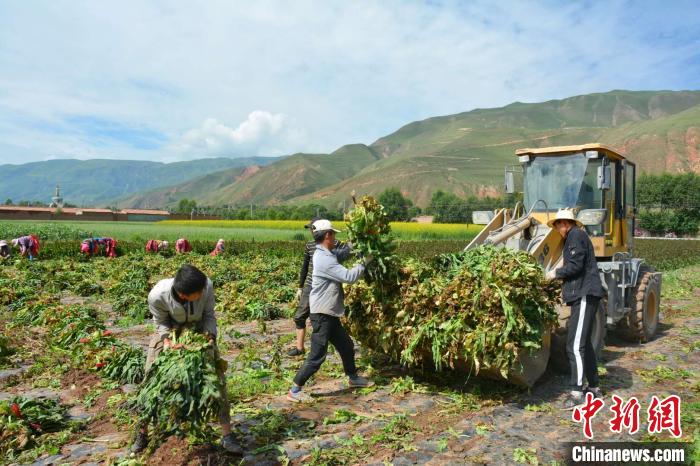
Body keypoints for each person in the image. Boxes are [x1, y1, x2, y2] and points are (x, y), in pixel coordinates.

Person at [130, 264, 241, 454]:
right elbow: (161, 322)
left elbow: (209, 315)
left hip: (198, 330)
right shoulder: (157, 296)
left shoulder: (206, 286)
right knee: (150, 380)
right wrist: (167, 341)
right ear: (183, 294)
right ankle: (142, 432)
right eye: (199, 291)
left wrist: (210, 337)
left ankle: (227, 436)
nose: (203, 291)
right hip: (169, 331)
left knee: (217, 381)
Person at [287, 219, 373, 403]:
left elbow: (343, 254)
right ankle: (295, 389)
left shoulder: (325, 253)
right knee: (317, 355)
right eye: (333, 234)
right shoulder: (324, 258)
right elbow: (349, 277)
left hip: (329, 313)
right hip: (322, 315)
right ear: (327, 235)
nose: (335, 238)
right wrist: (365, 262)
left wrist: (355, 244)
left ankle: (353, 377)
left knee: (346, 346)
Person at [545, 208, 605, 409]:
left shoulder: (575, 235)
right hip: (583, 293)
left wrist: (554, 273)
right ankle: (594, 389)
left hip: (584, 294)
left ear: (565, 223)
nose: (557, 229)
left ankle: (577, 392)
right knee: (585, 344)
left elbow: (576, 266)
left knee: (574, 345)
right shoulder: (575, 236)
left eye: (558, 225)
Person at [288, 219, 351, 357]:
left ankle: (336, 345)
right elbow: (305, 266)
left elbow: (347, 252)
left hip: (327, 284)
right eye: (310, 229)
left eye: (312, 229)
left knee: (329, 317)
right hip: (310, 285)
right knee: (300, 316)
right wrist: (300, 286)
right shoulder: (309, 245)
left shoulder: (335, 244)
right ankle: (300, 348)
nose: (311, 231)